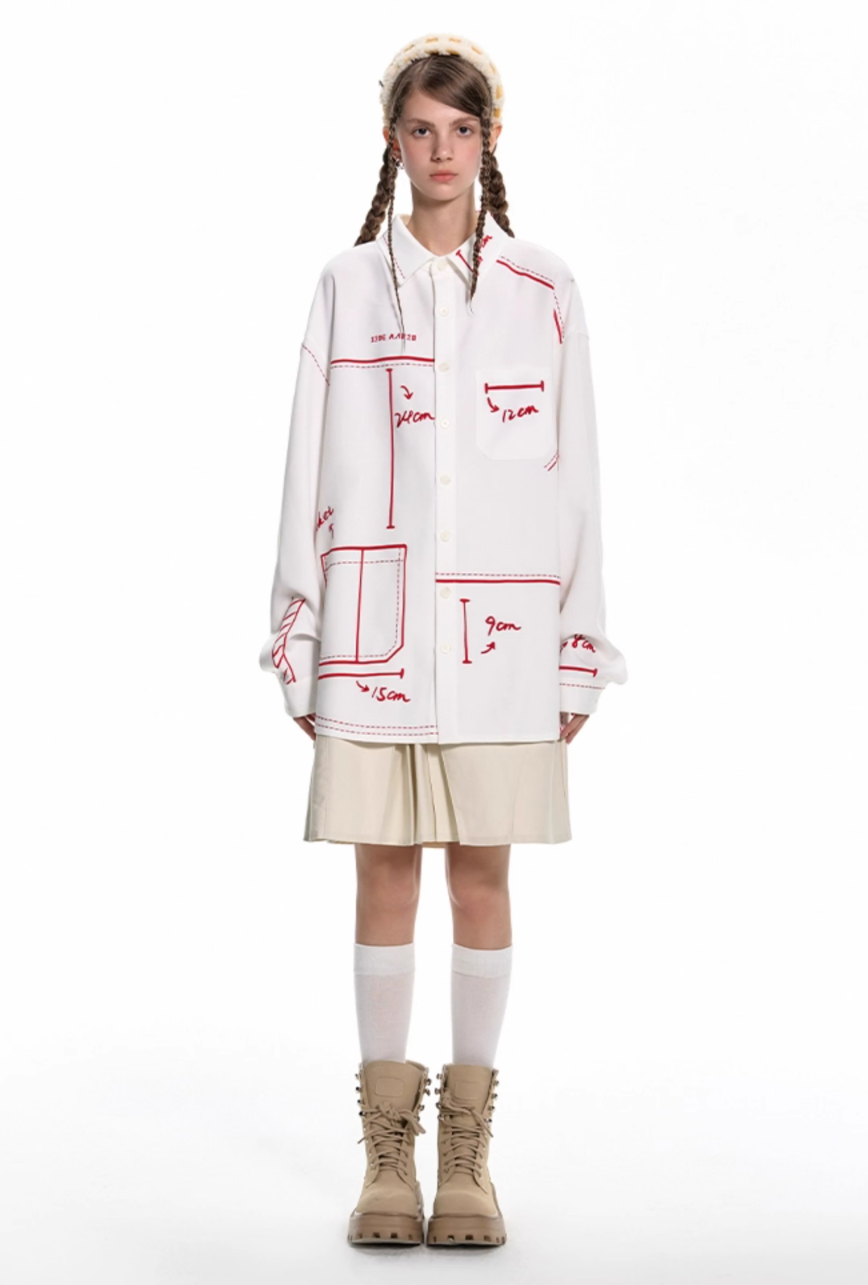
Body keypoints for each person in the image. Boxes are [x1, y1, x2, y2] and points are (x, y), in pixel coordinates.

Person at [258, 31, 628, 1248]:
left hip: (504, 642)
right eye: (420, 130)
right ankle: (385, 1157)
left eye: (460, 131)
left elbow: (574, 473)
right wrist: (299, 628)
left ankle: (467, 1155)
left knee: (480, 874)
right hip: (376, 637)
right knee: (382, 871)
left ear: (489, 139)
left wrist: (578, 642)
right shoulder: (344, 287)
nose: (440, 151)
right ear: (392, 140)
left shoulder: (543, 290)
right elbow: (307, 460)